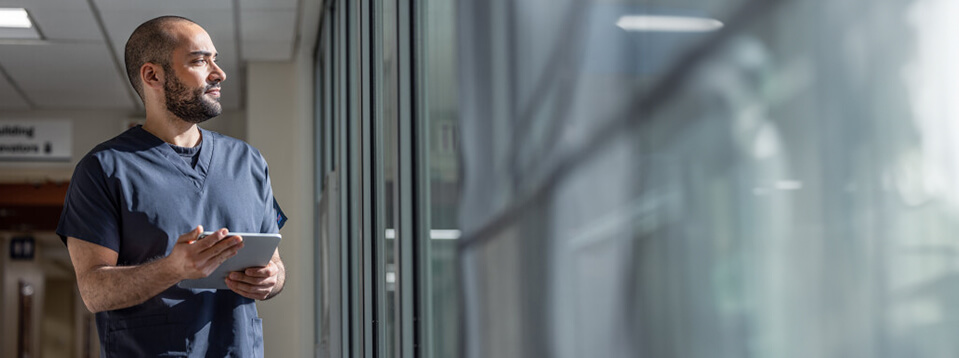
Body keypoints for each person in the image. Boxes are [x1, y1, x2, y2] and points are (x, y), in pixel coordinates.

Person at [56, 15, 287, 357]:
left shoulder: (247, 161)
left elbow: (277, 265)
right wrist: (173, 269)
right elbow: (93, 291)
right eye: (199, 60)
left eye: (215, 59)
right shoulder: (103, 169)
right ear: (153, 75)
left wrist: (270, 279)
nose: (218, 72)